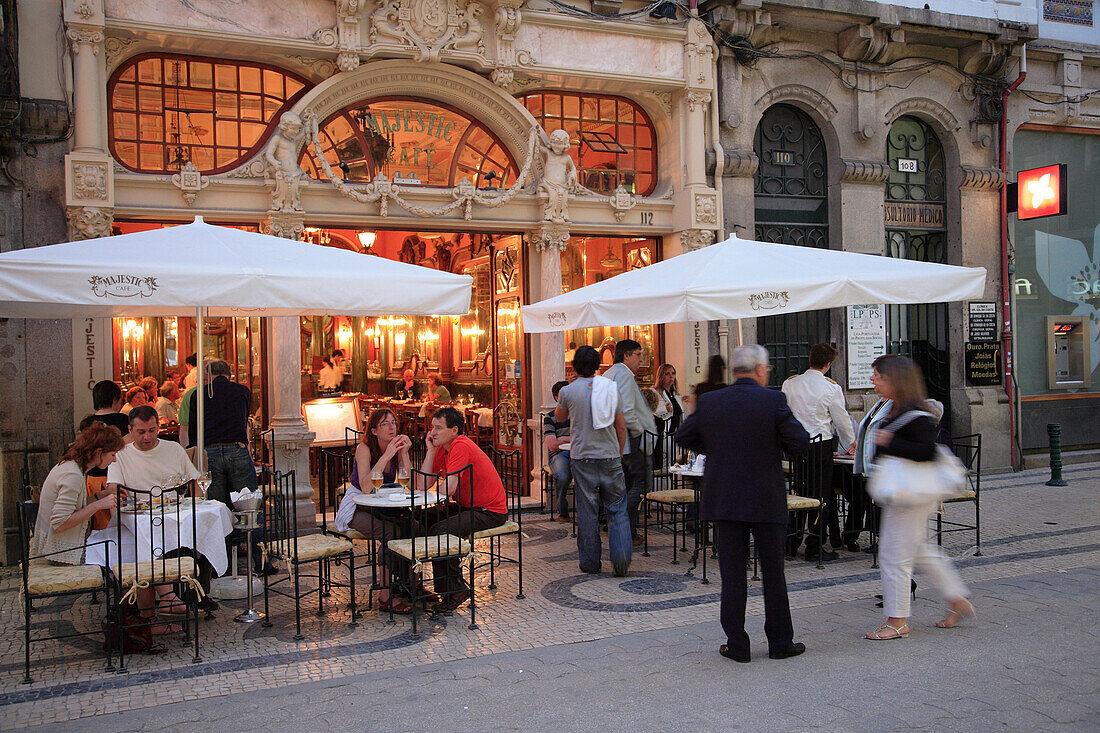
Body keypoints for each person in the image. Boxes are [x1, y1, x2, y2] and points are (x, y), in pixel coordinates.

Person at [676, 345, 810, 663]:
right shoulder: (773, 400)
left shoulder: (710, 401)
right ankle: (780, 642)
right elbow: (800, 442)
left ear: (734, 371)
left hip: (726, 498)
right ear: (760, 369)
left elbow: (683, 436)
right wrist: (772, 444)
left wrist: (715, 447)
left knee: (732, 575)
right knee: (773, 573)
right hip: (766, 498)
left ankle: (737, 644)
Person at [863, 356, 974, 640]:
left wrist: (889, 442)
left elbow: (926, 451)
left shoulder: (917, 414)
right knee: (918, 550)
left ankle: (897, 620)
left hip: (910, 495)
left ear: (895, 380)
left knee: (893, 556)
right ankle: (956, 599)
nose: (873, 379)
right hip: (903, 493)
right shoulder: (894, 408)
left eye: (878, 375)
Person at [107, 405, 204, 617]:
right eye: (141, 432)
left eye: (152, 430)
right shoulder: (121, 455)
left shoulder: (173, 449)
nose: (147, 436)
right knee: (145, 539)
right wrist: (119, 494)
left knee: (198, 530)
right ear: (130, 430)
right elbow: (112, 488)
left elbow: (193, 482)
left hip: (172, 515)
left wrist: (200, 500)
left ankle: (167, 603)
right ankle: (167, 597)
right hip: (137, 517)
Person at [421, 407, 508, 612]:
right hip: (467, 506)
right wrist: (431, 451)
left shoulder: (460, 445)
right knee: (420, 517)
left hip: (490, 510)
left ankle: (455, 590)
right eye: (432, 427)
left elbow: (448, 488)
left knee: (441, 531)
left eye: (438, 428)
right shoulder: (442, 448)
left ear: (455, 430)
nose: (433, 432)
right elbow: (421, 484)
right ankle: (410, 582)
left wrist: (438, 491)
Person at [555, 345, 631, 576]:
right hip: (609, 455)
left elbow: (559, 417)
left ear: (576, 365)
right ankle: (620, 561)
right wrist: (618, 451)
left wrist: (569, 388)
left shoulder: (569, 391)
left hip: (582, 457)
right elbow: (621, 425)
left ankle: (590, 563)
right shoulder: (610, 387)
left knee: (587, 512)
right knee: (617, 509)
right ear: (597, 364)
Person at [334, 408, 414, 613]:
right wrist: (387, 455)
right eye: (385, 424)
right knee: (390, 533)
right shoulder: (364, 448)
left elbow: (413, 485)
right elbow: (366, 486)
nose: (392, 428)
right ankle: (385, 595)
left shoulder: (397, 449)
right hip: (356, 507)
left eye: (394, 423)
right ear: (374, 431)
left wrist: (404, 454)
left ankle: (412, 583)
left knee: (413, 525)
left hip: (378, 504)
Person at [781, 343, 856, 562]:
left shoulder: (790, 383)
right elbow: (841, 420)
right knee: (819, 495)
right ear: (828, 364)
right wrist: (851, 443)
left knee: (797, 493)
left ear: (810, 359)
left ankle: (791, 543)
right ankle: (814, 545)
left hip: (796, 446)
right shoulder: (831, 388)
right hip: (820, 446)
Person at [33, 423, 124, 565]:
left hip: (61, 547)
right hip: (61, 554)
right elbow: (60, 523)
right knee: (122, 551)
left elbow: (73, 506)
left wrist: (99, 496)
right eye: (113, 454)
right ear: (99, 452)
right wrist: (98, 505)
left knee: (120, 547)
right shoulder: (72, 474)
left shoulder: (73, 466)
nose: (115, 460)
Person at [603, 339, 657, 543]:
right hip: (630, 440)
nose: (641, 359)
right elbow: (625, 409)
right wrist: (638, 432)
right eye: (638, 354)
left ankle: (624, 528)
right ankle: (623, 527)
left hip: (617, 441)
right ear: (626, 355)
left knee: (625, 486)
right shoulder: (624, 374)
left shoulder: (609, 374)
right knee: (641, 484)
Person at [185, 360, 256, 511]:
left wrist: (194, 450)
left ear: (209, 375)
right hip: (236, 448)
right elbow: (244, 421)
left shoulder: (198, 394)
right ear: (229, 375)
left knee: (215, 505)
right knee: (246, 501)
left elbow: (193, 427)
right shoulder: (242, 390)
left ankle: (222, 534)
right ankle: (249, 533)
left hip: (208, 450)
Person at [543, 380, 572, 522]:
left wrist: (562, 438)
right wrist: (571, 438)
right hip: (559, 455)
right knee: (562, 476)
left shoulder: (578, 414)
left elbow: (585, 438)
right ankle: (563, 510)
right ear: (557, 398)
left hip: (579, 453)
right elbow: (552, 445)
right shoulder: (550, 417)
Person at [651, 363, 683, 469]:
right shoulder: (656, 392)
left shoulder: (675, 394)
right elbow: (653, 410)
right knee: (664, 465)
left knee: (674, 463)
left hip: (675, 433)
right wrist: (666, 409)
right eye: (667, 374)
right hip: (663, 434)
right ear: (661, 376)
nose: (671, 377)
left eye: (673, 373)